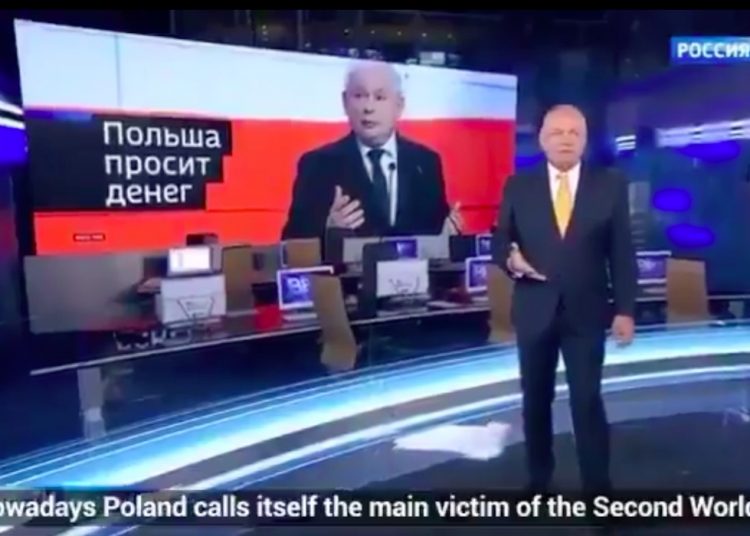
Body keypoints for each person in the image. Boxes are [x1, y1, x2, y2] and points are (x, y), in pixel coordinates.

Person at [492, 104, 637, 496]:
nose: (566, 139)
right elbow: (500, 240)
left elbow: (622, 252)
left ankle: (598, 490)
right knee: (535, 400)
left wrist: (625, 309)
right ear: (542, 139)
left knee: (587, 401)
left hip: (586, 313)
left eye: (575, 132)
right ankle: (539, 480)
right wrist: (511, 259)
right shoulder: (518, 186)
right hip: (534, 309)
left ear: (585, 140)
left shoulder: (610, 184)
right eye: (557, 132)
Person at [282, 61, 462, 240]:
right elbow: (291, 245)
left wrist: (447, 237)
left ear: (399, 105)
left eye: (380, 97)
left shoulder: (425, 163)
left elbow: (436, 235)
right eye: (359, 96)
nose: (368, 108)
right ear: (345, 102)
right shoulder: (318, 165)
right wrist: (327, 230)